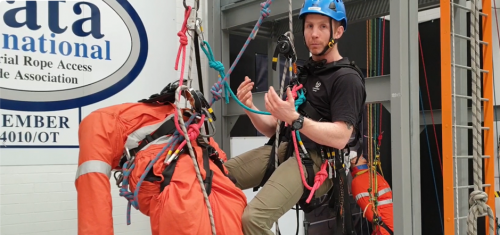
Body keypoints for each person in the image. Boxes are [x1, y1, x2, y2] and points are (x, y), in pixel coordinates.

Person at [223, 0, 372, 234]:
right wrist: (249, 107)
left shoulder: (346, 79)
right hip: (289, 148)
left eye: (323, 26)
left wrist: (297, 119)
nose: (314, 34)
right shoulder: (303, 75)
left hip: (322, 161)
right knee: (216, 176)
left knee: (253, 219)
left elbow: (342, 136)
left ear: (339, 31)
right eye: (309, 26)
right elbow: (274, 130)